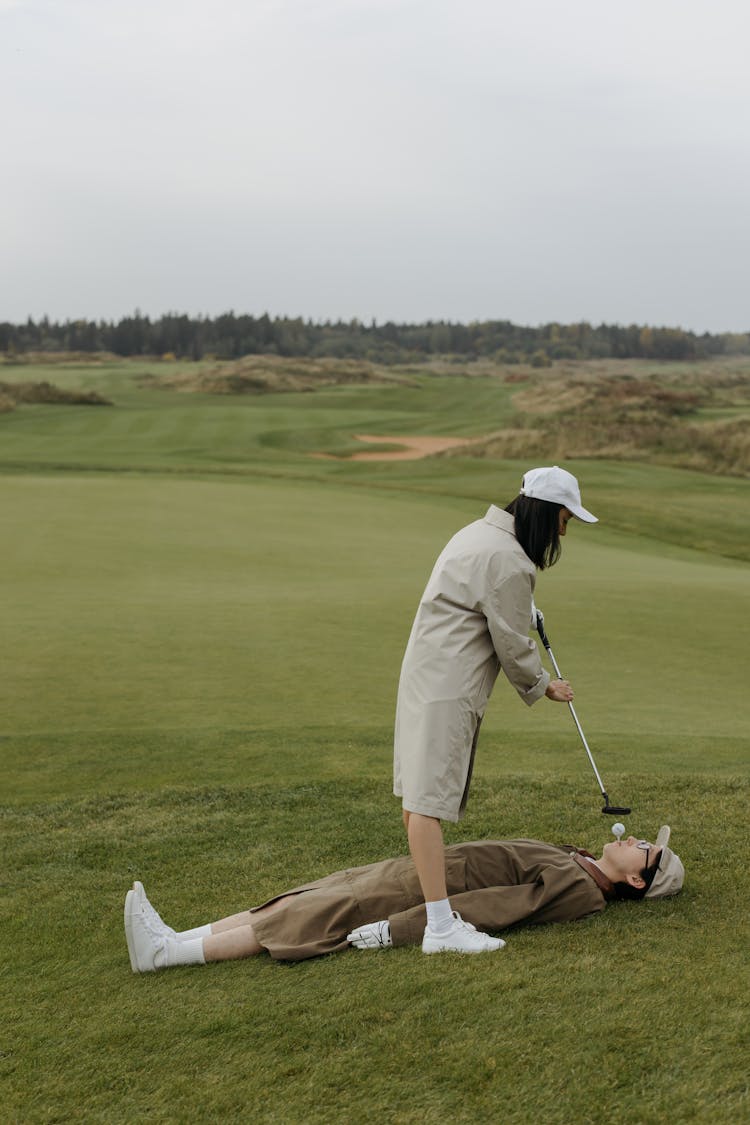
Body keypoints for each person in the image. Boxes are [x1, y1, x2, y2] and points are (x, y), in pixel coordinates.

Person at [393, 465, 599, 953]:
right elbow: (510, 644)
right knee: (428, 801)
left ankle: (436, 915)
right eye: (565, 520)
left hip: (428, 675)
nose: (564, 531)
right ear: (547, 514)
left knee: (421, 799)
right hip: (448, 684)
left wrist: (521, 605)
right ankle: (440, 928)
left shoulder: (481, 533)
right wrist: (545, 685)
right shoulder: (510, 560)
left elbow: (485, 597)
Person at [124, 828, 684, 972]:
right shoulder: (583, 861)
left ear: (637, 883)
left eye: (646, 853)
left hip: (423, 891)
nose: (636, 841)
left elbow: (500, 907)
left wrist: (403, 927)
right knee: (303, 897)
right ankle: (177, 935)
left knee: (311, 916)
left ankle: (165, 955)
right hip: (420, 870)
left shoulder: (579, 891)